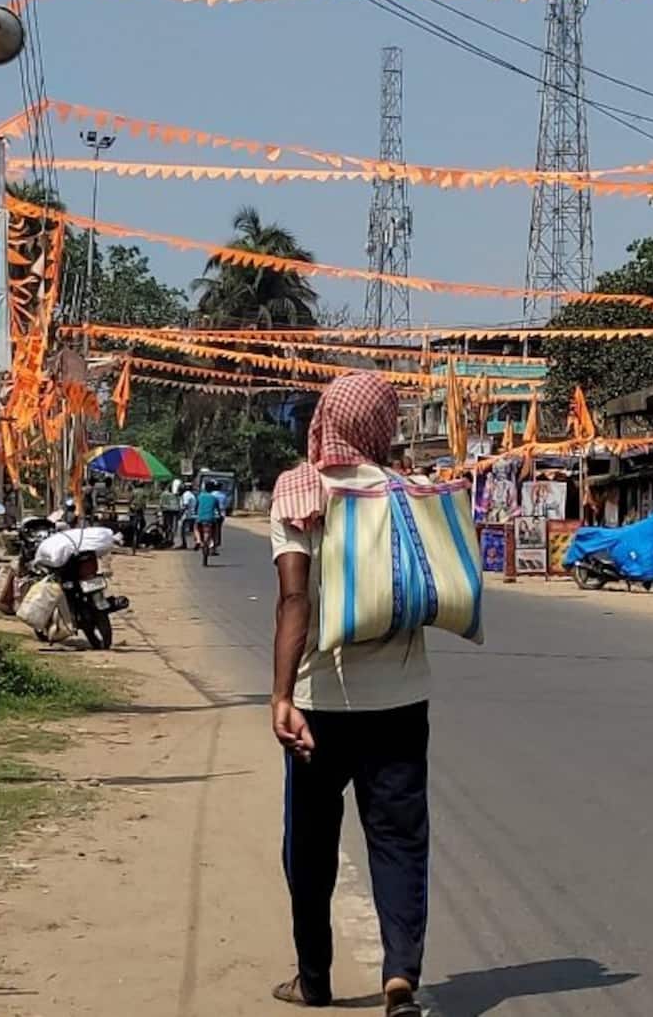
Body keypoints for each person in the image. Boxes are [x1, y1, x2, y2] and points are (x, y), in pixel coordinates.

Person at [267, 373, 432, 1015]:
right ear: (382, 425)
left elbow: (292, 601)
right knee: (398, 841)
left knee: (308, 844)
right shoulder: (410, 493)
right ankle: (400, 980)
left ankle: (314, 979)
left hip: (320, 703)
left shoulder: (300, 491)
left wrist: (281, 695)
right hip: (402, 702)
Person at [194, 483, 223, 553]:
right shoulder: (214, 498)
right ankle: (213, 545)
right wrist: (220, 515)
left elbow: (196, 507)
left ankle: (198, 540)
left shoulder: (199, 496)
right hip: (211, 519)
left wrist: (196, 513)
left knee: (196, 527)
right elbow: (218, 509)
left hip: (200, 518)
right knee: (215, 530)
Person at [161, 480, 184, 552]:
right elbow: (179, 504)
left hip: (166, 511)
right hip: (174, 512)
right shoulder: (176, 495)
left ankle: (167, 539)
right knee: (173, 526)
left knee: (167, 526)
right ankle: (170, 539)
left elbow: (161, 503)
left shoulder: (164, 494)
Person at [178, 481, 198, 549]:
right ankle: (197, 542)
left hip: (186, 515)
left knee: (182, 530)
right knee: (195, 529)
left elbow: (185, 505)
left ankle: (184, 544)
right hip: (193, 514)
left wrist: (180, 514)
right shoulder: (192, 495)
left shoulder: (186, 495)